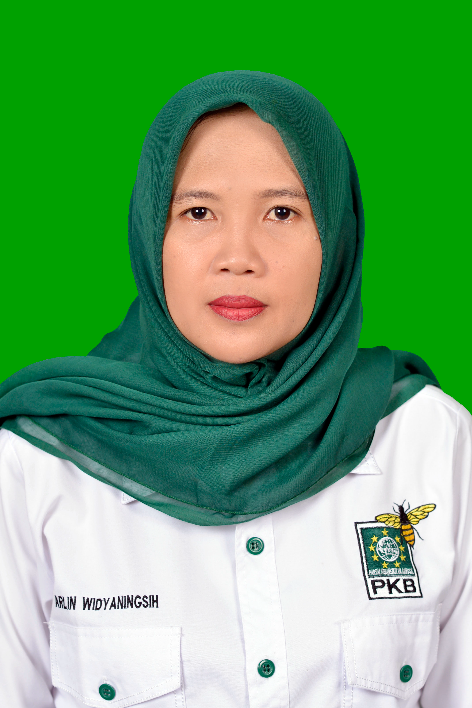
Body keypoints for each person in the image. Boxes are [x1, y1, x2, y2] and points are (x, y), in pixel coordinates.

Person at [0, 71, 470, 707]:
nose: (238, 255)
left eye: (282, 212)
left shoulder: (434, 445)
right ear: (151, 233)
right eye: (198, 212)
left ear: (336, 235)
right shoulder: (35, 468)